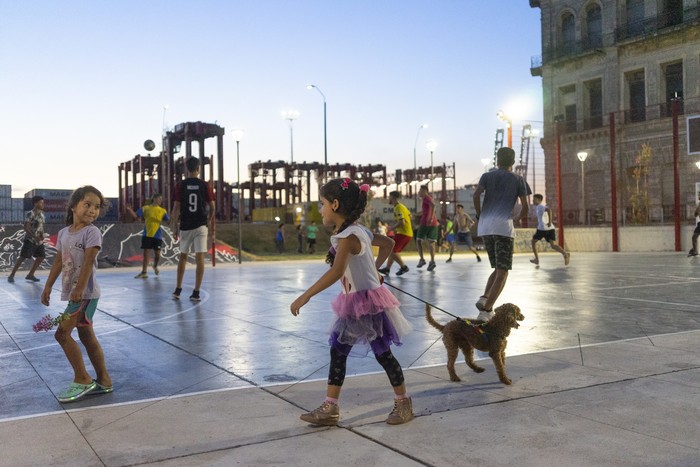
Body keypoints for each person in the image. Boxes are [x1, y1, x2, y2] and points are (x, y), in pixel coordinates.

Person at [290, 178, 414, 426]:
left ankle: (403, 403)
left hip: (367, 304)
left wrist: (305, 295)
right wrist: (375, 269)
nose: (321, 209)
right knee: (338, 350)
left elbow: (336, 272)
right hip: (355, 301)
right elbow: (388, 244)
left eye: (322, 204)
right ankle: (330, 407)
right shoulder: (359, 231)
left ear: (335, 204)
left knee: (383, 354)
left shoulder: (348, 236)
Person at [40, 186, 112, 403]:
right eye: (87, 204)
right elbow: (59, 261)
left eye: (97, 207)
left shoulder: (92, 232)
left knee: (61, 334)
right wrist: (48, 286)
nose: (92, 210)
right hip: (76, 294)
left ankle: (82, 379)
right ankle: (104, 380)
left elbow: (89, 262)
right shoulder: (64, 233)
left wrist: (79, 289)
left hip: (85, 294)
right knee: (86, 336)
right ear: (74, 206)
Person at [473, 147, 529, 319]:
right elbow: (525, 206)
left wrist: (480, 214)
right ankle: (487, 311)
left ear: (497, 160)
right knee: (503, 271)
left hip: (485, 227)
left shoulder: (487, 176)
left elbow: (476, 195)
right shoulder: (518, 179)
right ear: (513, 162)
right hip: (503, 228)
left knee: (498, 268)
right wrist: (518, 218)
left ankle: (484, 298)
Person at [171, 157, 215, 302]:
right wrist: (208, 220)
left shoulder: (180, 185)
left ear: (186, 169)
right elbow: (213, 206)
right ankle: (196, 292)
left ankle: (178, 289)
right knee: (200, 257)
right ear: (198, 169)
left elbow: (176, 208)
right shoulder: (204, 185)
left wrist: (174, 227)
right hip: (201, 224)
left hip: (186, 224)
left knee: (183, 256)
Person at [8, 195, 46, 283]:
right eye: (41, 202)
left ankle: (30, 275)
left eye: (43, 203)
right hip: (30, 239)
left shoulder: (42, 215)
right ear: (36, 203)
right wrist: (34, 237)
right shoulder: (30, 213)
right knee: (23, 257)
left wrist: (42, 235)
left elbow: (41, 227)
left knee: (41, 256)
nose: (43, 204)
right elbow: (26, 227)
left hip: (38, 240)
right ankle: (11, 275)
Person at [132, 194, 170, 278]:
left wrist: (174, 217)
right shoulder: (146, 208)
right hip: (147, 234)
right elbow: (136, 216)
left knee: (157, 254)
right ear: (154, 199)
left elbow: (168, 221)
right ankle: (144, 272)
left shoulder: (163, 210)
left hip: (158, 235)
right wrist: (130, 210)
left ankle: (155, 266)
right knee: (146, 254)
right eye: (159, 199)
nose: (160, 201)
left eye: (161, 199)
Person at [378, 191, 413, 276]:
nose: (388, 199)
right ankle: (387, 269)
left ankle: (403, 267)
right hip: (405, 232)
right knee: (393, 250)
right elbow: (410, 216)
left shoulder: (398, 207)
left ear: (393, 197)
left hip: (404, 233)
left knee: (392, 250)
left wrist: (391, 228)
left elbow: (402, 222)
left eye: (389, 197)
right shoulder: (402, 207)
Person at [530, 194, 569, 265]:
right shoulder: (539, 207)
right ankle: (565, 254)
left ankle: (536, 259)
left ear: (539, 200)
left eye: (534, 199)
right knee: (553, 245)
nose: (533, 201)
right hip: (550, 228)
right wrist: (549, 223)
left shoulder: (540, 206)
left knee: (533, 242)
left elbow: (549, 210)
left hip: (542, 229)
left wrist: (550, 221)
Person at [416, 185, 439, 271]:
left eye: (420, 190)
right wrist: (415, 214)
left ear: (425, 191)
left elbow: (433, 205)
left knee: (418, 240)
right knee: (431, 243)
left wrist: (430, 218)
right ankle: (432, 262)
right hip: (433, 223)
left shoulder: (426, 198)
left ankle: (422, 259)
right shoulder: (428, 198)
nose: (419, 192)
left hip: (426, 222)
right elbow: (427, 210)